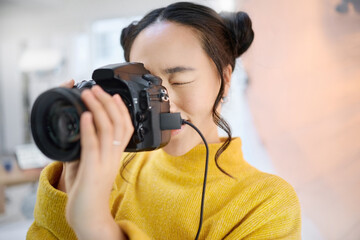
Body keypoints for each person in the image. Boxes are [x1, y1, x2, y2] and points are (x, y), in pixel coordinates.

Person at [27, 2, 301, 239]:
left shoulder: (267, 203)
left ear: (225, 80)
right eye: (143, 85)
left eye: (179, 80)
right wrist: (66, 185)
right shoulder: (109, 169)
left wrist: (96, 226)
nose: (161, 103)